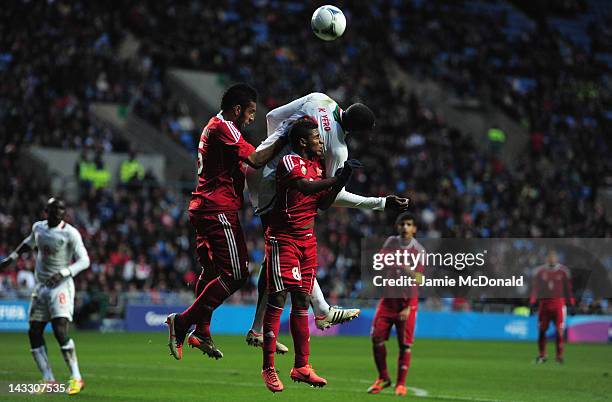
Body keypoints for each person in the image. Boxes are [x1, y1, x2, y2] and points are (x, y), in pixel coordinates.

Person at [245, 92, 410, 350]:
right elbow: (333, 196)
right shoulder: (337, 147)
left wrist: (275, 147)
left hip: (258, 166)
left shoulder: (320, 99)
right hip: (274, 184)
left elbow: (272, 116)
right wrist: (379, 203)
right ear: (357, 130)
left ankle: (259, 330)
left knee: (273, 257)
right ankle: (320, 310)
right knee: (289, 247)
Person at [165, 83, 287, 361]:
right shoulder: (224, 127)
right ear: (237, 109)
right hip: (217, 208)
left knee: (211, 272)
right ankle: (182, 323)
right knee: (236, 273)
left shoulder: (212, 126)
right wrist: (284, 136)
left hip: (204, 206)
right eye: (251, 112)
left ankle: (202, 331)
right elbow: (255, 159)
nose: (253, 118)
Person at [260, 118, 358, 392]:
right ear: (303, 142)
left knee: (302, 299)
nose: (321, 141)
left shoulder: (318, 167)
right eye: (316, 137)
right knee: (279, 297)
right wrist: (335, 178)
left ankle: (302, 366)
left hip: (307, 241)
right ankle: (268, 368)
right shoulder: (289, 162)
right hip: (284, 239)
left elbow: (323, 203)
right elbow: (304, 187)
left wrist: (341, 182)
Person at [0, 198, 90, 395]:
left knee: (59, 330)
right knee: (34, 331)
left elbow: (85, 260)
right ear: (46, 212)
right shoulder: (38, 228)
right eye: (55, 210)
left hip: (61, 287)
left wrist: (64, 272)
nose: (59, 213)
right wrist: (11, 259)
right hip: (41, 287)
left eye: (62, 210)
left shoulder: (70, 233)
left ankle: (77, 377)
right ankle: (48, 379)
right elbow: (28, 243)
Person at [367, 212, 424, 397]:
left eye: (409, 224)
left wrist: (410, 306)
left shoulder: (419, 251)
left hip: (407, 304)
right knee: (376, 338)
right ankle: (383, 377)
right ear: (397, 227)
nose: (405, 228)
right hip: (388, 301)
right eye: (402, 224)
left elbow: (420, 280)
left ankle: (401, 384)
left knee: (404, 345)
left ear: (414, 229)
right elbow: (381, 260)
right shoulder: (391, 242)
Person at [530, 250, 575, 364]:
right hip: (544, 305)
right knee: (541, 331)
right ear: (546, 258)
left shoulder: (563, 272)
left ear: (557, 258)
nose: (551, 259)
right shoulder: (540, 272)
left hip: (558, 305)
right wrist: (532, 301)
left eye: (553, 257)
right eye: (549, 257)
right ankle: (542, 355)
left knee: (560, 332)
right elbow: (535, 289)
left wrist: (572, 303)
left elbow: (568, 289)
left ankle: (559, 357)